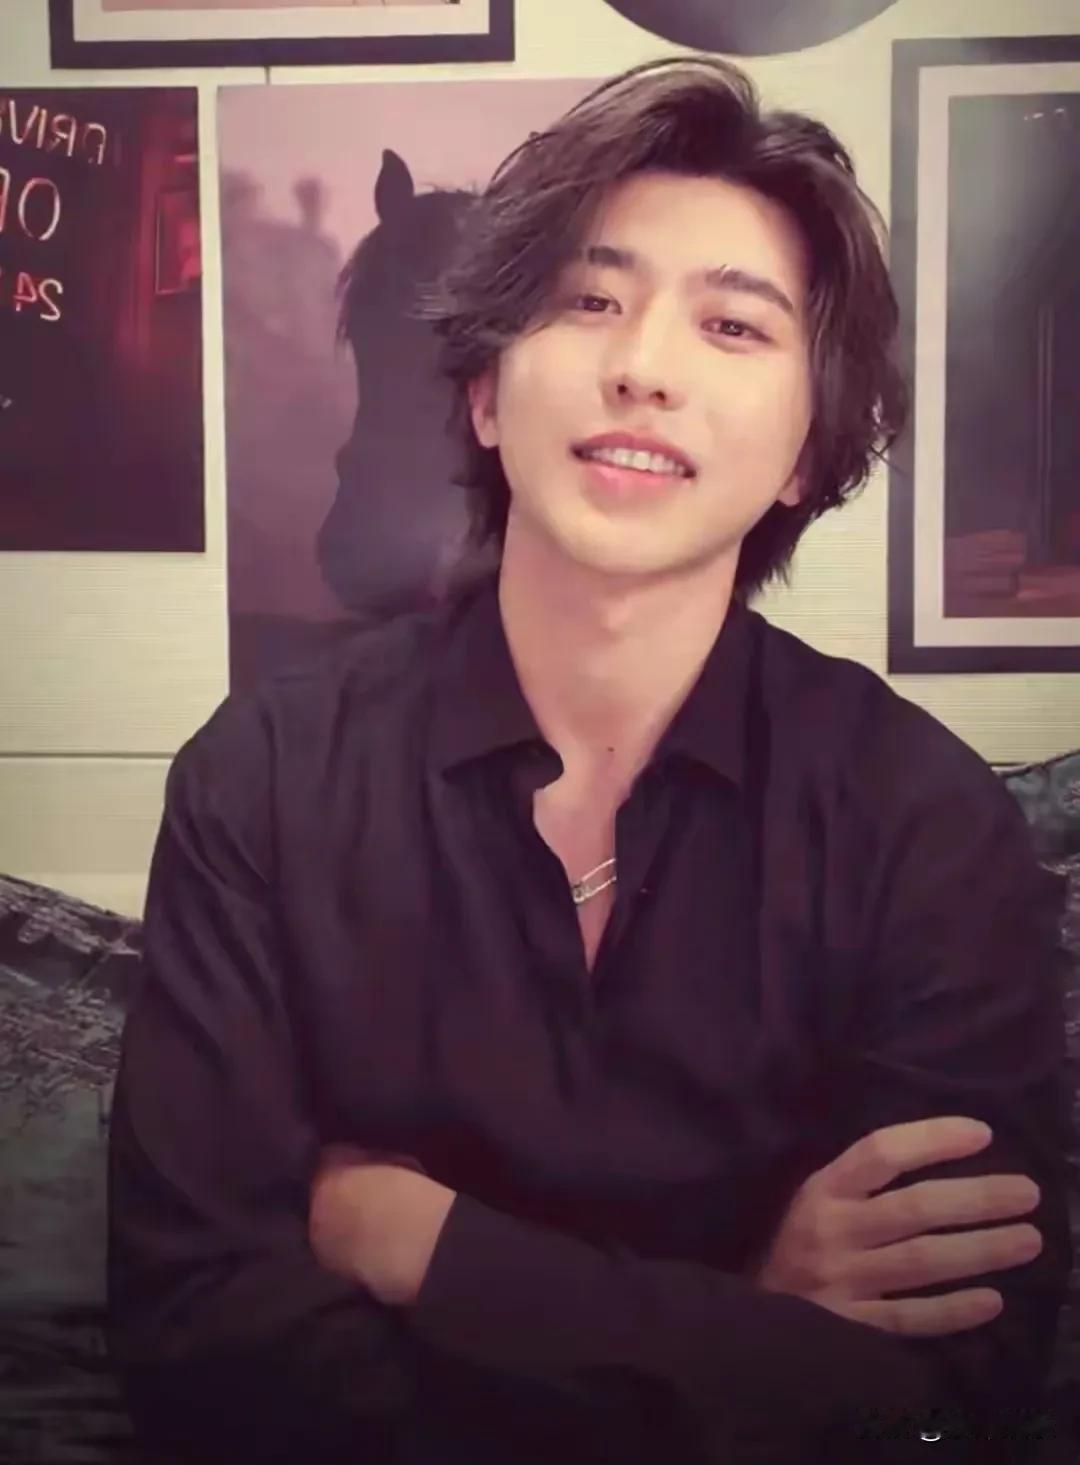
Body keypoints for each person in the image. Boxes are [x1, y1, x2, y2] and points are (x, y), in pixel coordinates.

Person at [106, 55, 1072, 1465]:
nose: (644, 367)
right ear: (487, 393)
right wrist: (741, 1316)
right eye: (589, 301)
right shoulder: (261, 781)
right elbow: (199, 1350)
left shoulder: (925, 825)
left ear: (809, 453)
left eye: (732, 326)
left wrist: (430, 1246)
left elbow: (947, 1401)